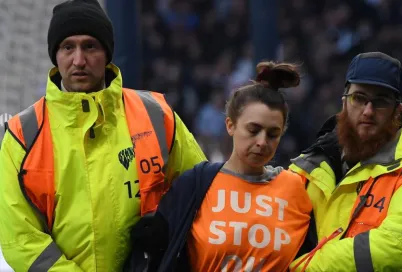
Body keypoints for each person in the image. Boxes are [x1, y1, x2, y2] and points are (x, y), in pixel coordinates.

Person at [0, 0, 206, 271]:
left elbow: (203, 194)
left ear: (107, 52)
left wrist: (170, 227)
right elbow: (19, 238)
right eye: (67, 47)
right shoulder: (22, 135)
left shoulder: (157, 115)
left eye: (90, 46)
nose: (79, 60)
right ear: (55, 55)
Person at [128, 61, 313, 271]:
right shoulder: (196, 185)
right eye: (253, 130)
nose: (262, 142)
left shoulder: (296, 189)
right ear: (230, 125)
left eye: (273, 134)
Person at [289, 52, 402, 271]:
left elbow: (400, 248)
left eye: (380, 101)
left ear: (397, 111)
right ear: (344, 102)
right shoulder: (307, 169)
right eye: (359, 98)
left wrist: (304, 268)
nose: (368, 111)